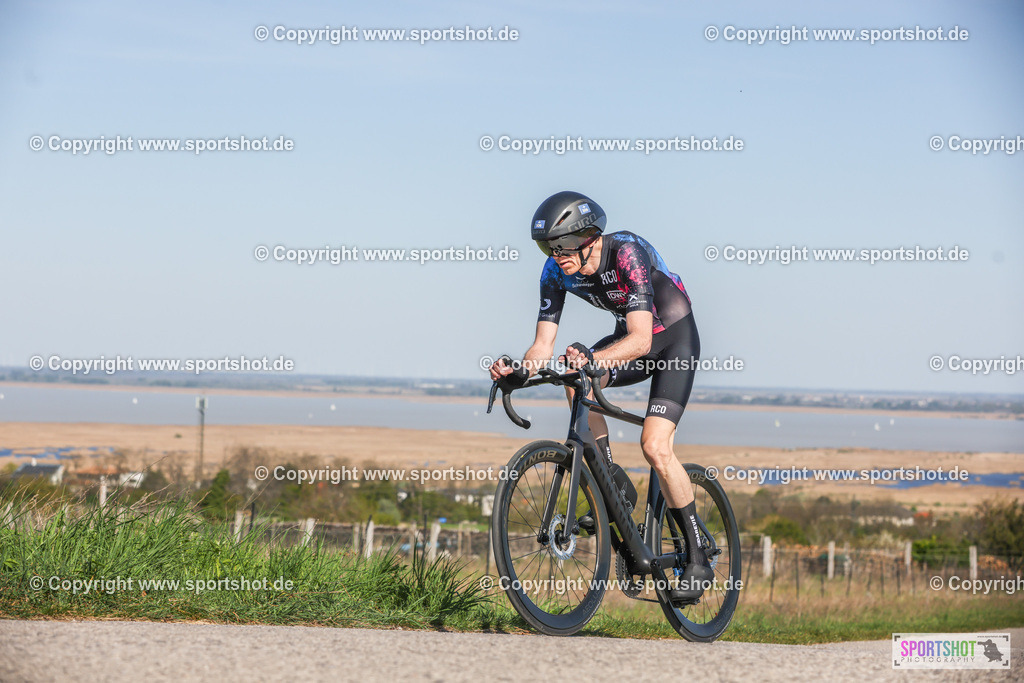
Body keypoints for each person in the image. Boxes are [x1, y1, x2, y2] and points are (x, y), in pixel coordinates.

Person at [489, 190, 713, 602]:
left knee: (655, 446)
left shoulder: (626, 253)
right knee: (575, 380)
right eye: (547, 247)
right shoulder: (555, 271)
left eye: (562, 245)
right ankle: (612, 481)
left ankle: (698, 555)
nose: (556, 255)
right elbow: (542, 346)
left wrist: (592, 357)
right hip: (631, 340)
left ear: (589, 236)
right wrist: (519, 371)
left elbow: (642, 340)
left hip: (672, 340)